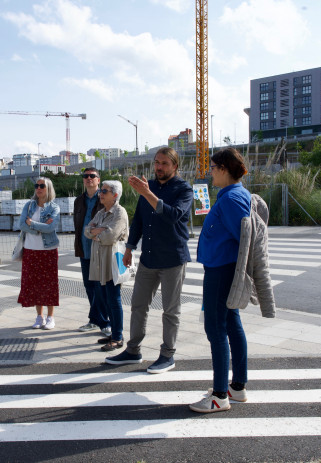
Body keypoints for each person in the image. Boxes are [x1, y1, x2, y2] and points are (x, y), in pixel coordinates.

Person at [188, 147, 275, 414]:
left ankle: (219, 395)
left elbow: (248, 238)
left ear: (224, 169)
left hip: (222, 270)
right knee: (231, 324)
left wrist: (241, 273)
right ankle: (237, 387)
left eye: (213, 168)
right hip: (223, 268)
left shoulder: (231, 198)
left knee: (216, 330)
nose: (210, 172)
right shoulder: (232, 195)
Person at [105, 147, 193, 373]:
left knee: (170, 310)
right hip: (149, 258)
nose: (159, 167)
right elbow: (139, 221)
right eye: (156, 162)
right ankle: (133, 350)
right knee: (138, 305)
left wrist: (147, 193)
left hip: (173, 258)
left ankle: (167, 355)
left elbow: (174, 215)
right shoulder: (150, 187)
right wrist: (129, 248)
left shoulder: (184, 189)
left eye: (164, 163)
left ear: (175, 166)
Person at [84, 180, 129, 352]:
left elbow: (110, 237)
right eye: (101, 190)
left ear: (115, 195)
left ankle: (118, 337)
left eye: (105, 191)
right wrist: (98, 231)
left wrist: (97, 232)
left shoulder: (120, 212)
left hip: (113, 262)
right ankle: (114, 332)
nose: (100, 193)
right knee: (104, 299)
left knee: (114, 299)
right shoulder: (102, 212)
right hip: (99, 262)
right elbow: (87, 230)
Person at [17, 177, 61, 330]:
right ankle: (39, 317)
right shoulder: (29, 206)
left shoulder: (54, 208)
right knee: (34, 284)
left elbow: (51, 228)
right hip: (30, 250)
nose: (39, 188)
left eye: (42, 185)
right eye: (36, 185)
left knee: (49, 284)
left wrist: (32, 224)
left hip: (48, 251)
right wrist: (40, 226)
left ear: (48, 188)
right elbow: (21, 224)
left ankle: (50, 317)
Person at [73, 167, 111, 338]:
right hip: (84, 248)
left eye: (92, 176)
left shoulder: (103, 198)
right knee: (89, 287)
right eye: (85, 176)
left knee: (100, 287)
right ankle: (96, 320)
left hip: (99, 250)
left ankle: (104, 322)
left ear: (98, 179)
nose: (88, 178)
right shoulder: (78, 200)